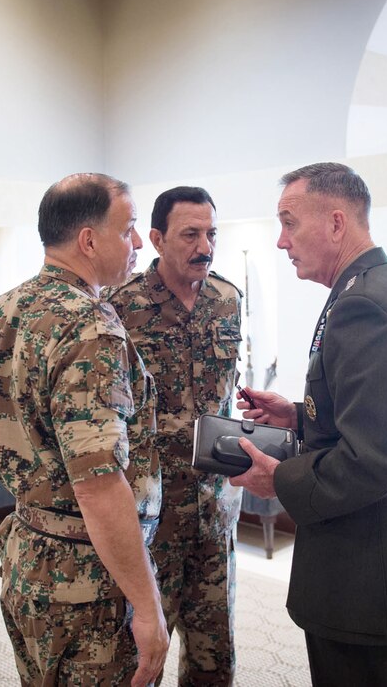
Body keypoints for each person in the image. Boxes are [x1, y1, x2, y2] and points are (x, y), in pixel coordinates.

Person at [230, 162, 387, 686]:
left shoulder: (365, 306)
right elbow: (381, 418)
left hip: (363, 567)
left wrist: (277, 479)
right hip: (375, 550)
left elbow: (374, 460)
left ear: (335, 222)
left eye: (289, 222)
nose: (281, 241)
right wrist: (298, 415)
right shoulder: (377, 285)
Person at [0, 173, 168, 686]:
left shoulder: (1, 311)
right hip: (87, 585)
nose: (139, 242)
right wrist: (147, 609)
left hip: (27, 556)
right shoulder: (91, 326)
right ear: (88, 240)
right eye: (127, 229)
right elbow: (99, 484)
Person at [108, 186, 243, 685]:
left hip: (214, 512)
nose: (205, 246)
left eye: (211, 234)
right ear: (158, 239)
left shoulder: (227, 300)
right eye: (190, 235)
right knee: (142, 661)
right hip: (152, 523)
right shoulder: (121, 308)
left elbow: (224, 400)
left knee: (216, 660)